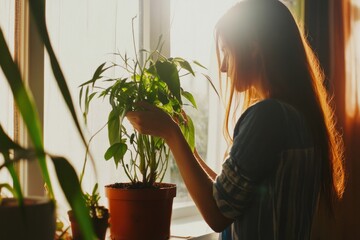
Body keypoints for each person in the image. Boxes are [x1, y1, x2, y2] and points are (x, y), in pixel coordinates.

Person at [126, 0, 345, 239]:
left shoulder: (267, 117)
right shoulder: (298, 117)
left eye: (226, 52)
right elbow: (229, 193)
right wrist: (189, 150)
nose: (222, 67)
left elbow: (217, 213)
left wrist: (171, 134)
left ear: (252, 48)